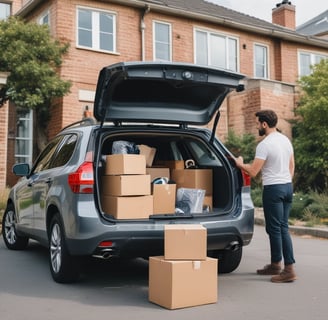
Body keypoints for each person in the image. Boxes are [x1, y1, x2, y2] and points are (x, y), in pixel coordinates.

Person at [235, 109, 297, 283]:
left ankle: (289, 269)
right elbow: (292, 165)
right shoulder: (285, 140)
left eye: (257, 123)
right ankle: (275, 265)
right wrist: (286, 181)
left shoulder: (265, 144)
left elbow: (254, 171)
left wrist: (239, 164)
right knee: (277, 227)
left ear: (264, 124)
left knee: (278, 229)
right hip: (286, 187)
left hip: (273, 189)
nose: (257, 127)